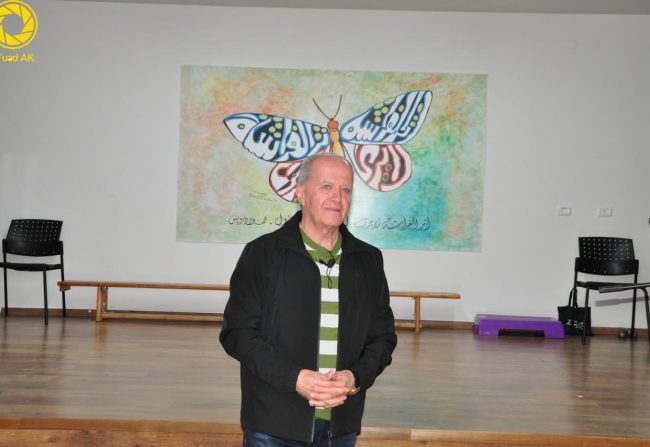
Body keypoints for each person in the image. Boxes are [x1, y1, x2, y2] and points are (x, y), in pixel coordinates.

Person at [220, 152, 397, 446]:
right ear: (300, 193)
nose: (337, 198)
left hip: (340, 427)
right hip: (272, 428)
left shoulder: (368, 261)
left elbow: (383, 338)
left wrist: (354, 378)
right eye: (326, 187)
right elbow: (237, 333)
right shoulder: (261, 254)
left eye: (346, 189)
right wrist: (294, 378)